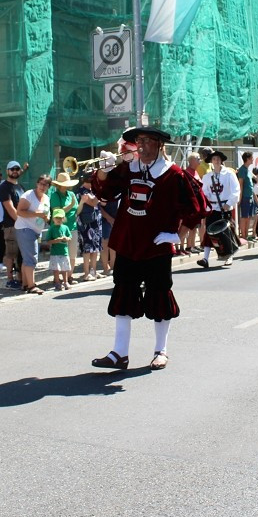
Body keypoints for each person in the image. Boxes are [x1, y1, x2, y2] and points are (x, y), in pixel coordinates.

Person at [90, 126, 204, 371]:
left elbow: (196, 208)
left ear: (159, 145)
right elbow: (106, 193)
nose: (140, 146)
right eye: (138, 141)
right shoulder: (128, 169)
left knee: (160, 296)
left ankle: (160, 350)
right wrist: (103, 170)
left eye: (146, 141)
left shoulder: (173, 174)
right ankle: (119, 353)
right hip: (128, 244)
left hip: (156, 248)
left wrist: (176, 235)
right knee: (123, 295)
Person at [198, 150, 240, 268]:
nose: (216, 161)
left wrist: (229, 203)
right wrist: (206, 206)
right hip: (213, 208)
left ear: (221, 160)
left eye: (218, 159)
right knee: (209, 233)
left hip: (224, 207)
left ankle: (229, 256)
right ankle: (205, 259)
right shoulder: (207, 177)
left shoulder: (229, 174)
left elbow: (236, 190)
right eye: (214, 159)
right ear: (211, 161)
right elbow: (204, 193)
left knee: (226, 232)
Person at [15, 173, 51, 294]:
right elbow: (19, 211)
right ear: (37, 184)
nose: (42, 186)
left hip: (36, 230)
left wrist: (47, 217)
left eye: (45, 185)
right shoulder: (28, 195)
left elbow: (46, 213)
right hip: (25, 228)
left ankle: (25, 284)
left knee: (27, 259)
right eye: (41, 184)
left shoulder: (46, 198)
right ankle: (31, 286)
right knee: (31, 258)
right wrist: (36, 214)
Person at [0, 160, 26, 289]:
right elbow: (9, 208)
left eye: (17, 169)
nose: (14, 171)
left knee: (21, 253)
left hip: (22, 223)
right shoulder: (4, 187)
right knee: (11, 253)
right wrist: (21, 221)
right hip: (11, 225)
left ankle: (21, 278)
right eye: (12, 169)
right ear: (7, 171)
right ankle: (10, 279)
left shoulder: (20, 187)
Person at [48, 172, 79, 284]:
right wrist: (70, 205)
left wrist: (83, 203)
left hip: (72, 226)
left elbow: (77, 210)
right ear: (59, 185)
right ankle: (58, 278)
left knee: (72, 254)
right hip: (58, 229)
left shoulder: (71, 194)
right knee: (59, 254)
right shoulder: (54, 195)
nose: (67, 186)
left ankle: (69, 277)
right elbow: (57, 213)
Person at [75, 173, 104, 281]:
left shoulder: (93, 190)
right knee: (87, 249)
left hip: (96, 222)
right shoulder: (82, 191)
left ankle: (94, 272)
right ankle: (86, 273)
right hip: (87, 224)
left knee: (95, 247)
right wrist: (100, 192)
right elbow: (92, 202)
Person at [47, 208, 72, 290]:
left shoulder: (65, 227)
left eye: (60, 218)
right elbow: (48, 241)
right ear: (53, 218)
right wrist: (56, 240)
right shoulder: (51, 228)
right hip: (55, 252)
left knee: (64, 268)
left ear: (63, 218)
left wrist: (66, 238)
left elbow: (70, 237)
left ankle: (65, 282)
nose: (59, 220)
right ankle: (57, 282)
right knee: (56, 269)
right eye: (57, 218)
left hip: (64, 251)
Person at [237, 151, 256, 241]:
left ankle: (246, 235)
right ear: (248, 159)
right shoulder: (242, 170)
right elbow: (241, 184)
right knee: (244, 217)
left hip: (250, 197)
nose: (253, 159)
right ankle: (243, 236)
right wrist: (240, 198)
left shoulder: (248, 170)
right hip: (245, 197)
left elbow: (253, 177)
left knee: (248, 217)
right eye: (252, 158)